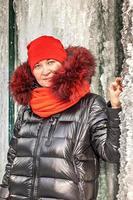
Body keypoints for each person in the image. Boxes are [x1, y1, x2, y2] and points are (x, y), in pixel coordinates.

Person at [0, 35, 122, 200]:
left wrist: (115, 109)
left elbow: (112, 153)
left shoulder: (90, 105)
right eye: (38, 65)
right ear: (31, 71)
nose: (45, 71)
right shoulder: (27, 111)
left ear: (64, 64)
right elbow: (12, 162)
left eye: (51, 62)